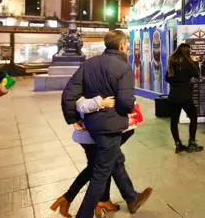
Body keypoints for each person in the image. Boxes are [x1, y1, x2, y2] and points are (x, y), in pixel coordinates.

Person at [61, 30, 152, 218]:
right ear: (121, 46)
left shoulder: (88, 64)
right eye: (126, 44)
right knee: (100, 175)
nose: (127, 47)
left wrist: (73, 118)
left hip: (94, 125)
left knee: (116, 160)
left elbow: (68, 95)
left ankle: (131, 197)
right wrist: (129, 105)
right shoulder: (123, 67)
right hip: (111, 128)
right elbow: (126, 103)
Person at [51, 96, 134, 218]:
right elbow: (72, 98)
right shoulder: (86, 81)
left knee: (101, 165)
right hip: (92, 134)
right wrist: (100, 103)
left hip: (94, 132)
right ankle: (72, 199)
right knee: (100, 167)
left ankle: (101, 200)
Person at [165, 43, 204, 153]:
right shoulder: (189, 63)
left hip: (173, 97)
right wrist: (195, 62)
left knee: (174, 121)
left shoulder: (172, 62)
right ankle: (191, 143)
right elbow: (197, 75)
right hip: (186, 97)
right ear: (187, 52)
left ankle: (178, 144)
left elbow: (167, 79)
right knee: (194, 117)